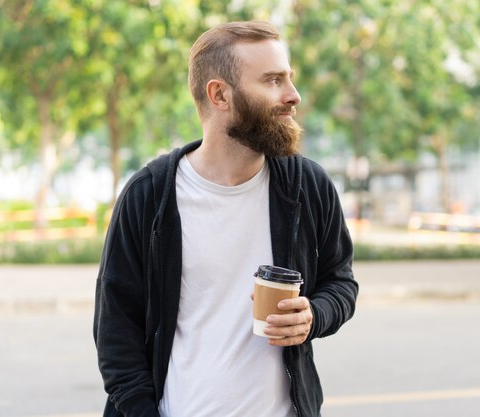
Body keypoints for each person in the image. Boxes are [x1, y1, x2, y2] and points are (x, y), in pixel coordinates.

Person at [93, 20, 358, 417]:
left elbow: (340, 282)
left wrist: (314, 315)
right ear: (219, 94)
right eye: (272, 81)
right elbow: (116, 333)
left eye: (289, 79)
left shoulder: (307, 185)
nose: (293, 95)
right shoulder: (149, 196)